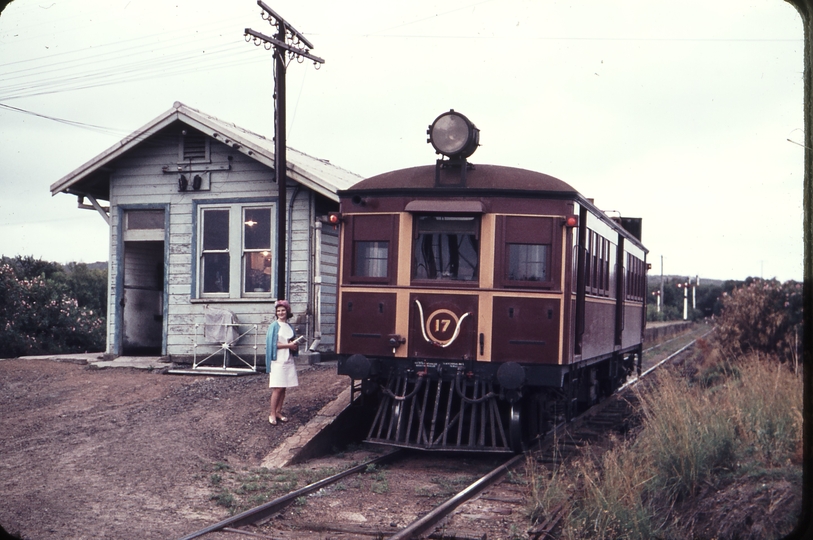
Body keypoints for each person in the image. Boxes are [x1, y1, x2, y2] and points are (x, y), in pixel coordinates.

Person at [265, 300, 299, 425]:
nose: (281, 313)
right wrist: (289, 345)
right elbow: (272, 344)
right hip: (277, 360)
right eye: (278, 311)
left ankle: (279, 411)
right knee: (278, 387)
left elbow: (291, 341)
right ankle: (272, 413)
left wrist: (294, 346)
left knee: (284, 387)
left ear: (287, 311)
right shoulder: (274, 326)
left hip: (288, 359)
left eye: (283, 310)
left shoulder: (289, 326)